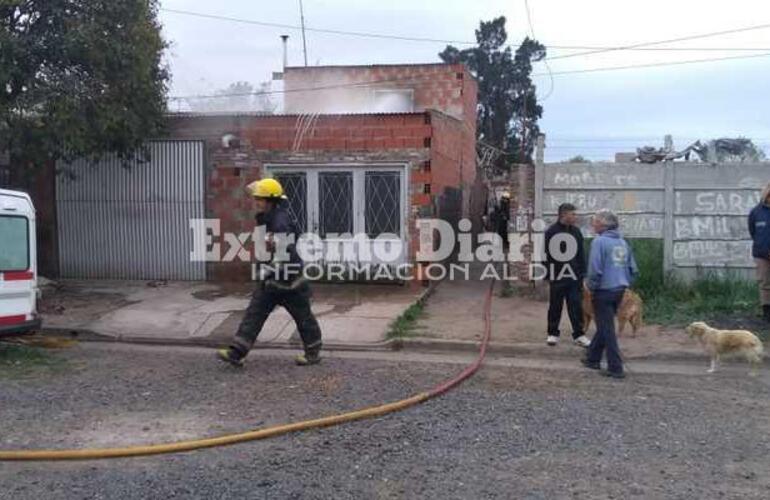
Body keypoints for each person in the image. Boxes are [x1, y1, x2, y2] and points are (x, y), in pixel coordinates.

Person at [217, 178, 323, 367]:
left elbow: (286, 252)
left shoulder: (279, 221)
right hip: (273, 280)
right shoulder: (269, 217)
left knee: (303, 317)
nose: (256, 201)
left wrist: (270, 270)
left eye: (260, 198)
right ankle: (237, 352)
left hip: (288, 281)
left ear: (271, 200)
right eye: (256, 198)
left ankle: (313, 352)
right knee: (255, 313)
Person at [581, 209, 638, 379]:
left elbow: (595, 269)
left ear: (604, 224)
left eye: (596, 221)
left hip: (603, 290)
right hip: (619, 289)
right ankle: (592, 358)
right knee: (605, 324)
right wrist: (624, 282)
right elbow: (633, 269)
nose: (593, 224)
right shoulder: (622, 242)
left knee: (607, 329)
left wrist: (590, 286)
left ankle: (615, 367)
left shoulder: (599, 242)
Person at [544, 203, 590, 347]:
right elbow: (545, 254)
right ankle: (552, 333)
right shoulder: (551, 232)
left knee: (576, 305)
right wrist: (547, 273)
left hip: (574, 276)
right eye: (573, 214)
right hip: (557, 275)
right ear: (564, 214)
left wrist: (583, 273)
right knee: (555, 305)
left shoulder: (576, 232)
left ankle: (579, 334)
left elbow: (581, 254)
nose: (575, 217)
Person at [748, 182, 770, 322]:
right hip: (761, 254)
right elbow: (753, 231)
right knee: (765, 283)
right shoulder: (756, 212)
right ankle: (767, 312)